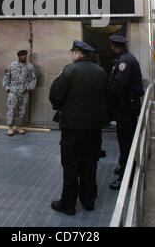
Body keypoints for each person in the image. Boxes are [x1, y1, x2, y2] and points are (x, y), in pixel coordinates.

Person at [49, 40, 111, 216]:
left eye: (72, 53)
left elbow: (55, 96)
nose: (72, 56)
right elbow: (109, 97)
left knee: (70, 164)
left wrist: (63, 107)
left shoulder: (69, 70)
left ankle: (68, 204)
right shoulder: (101, 72)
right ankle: (88, 201)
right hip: (94, 127)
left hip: (73, 126)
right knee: (90, 162)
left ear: (77, 53)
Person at [108, 35, 144, 190]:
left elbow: (119, 85)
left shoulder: (124, 61)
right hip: (127, 106)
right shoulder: (127, 58)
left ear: (114, 46)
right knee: (125, 140)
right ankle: (125, 167)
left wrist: (109, 99)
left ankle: (126, 177)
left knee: (126, 142)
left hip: (126, 107)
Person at [3, 50, 37, 136]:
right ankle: (10, 127)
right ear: (18, 56)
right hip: (13, 90)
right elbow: (6, 76)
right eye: (21, 56)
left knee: (22, 109)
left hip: (24, 91)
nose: (23, 57)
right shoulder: (12, 65)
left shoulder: (30, 67)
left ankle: (19, 126)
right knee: (11, 108)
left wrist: (28, 88)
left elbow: (34, 79)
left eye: (24, 55)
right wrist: (6, 87)